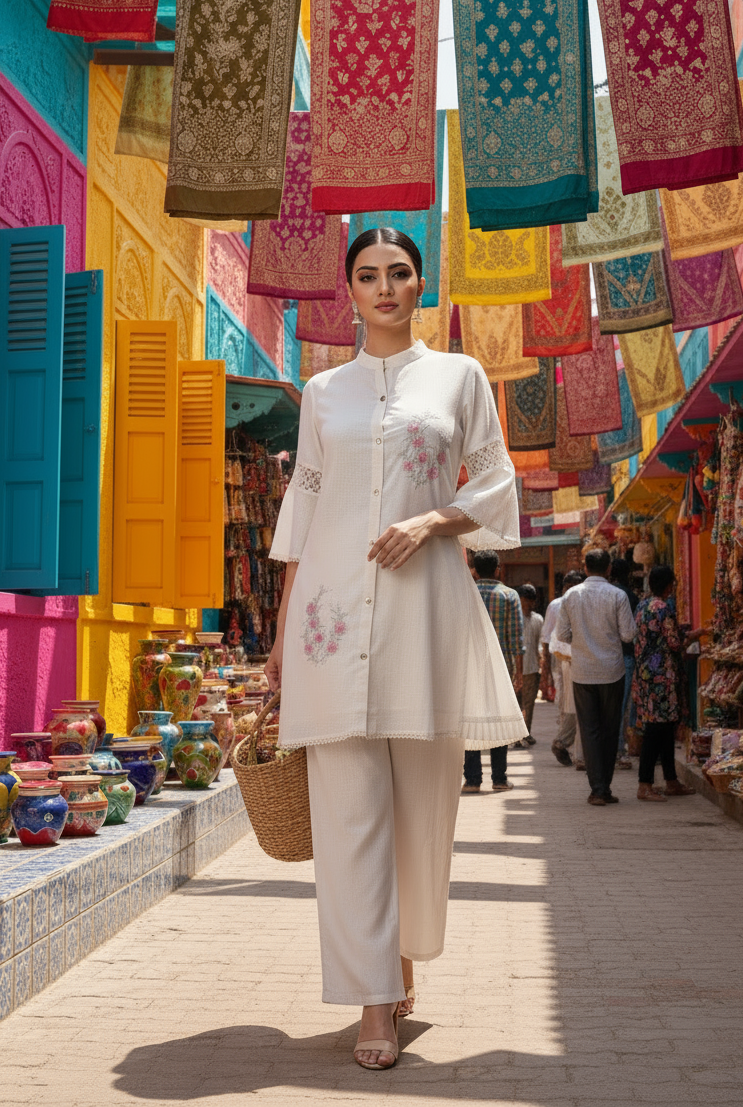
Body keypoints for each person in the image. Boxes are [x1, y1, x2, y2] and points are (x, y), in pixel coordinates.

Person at [264, 227, 525, 1072]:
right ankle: (374, 1001)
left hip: (424, 617)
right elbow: (301, 520)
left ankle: (401, 956)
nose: (384, 286)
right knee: (349, 815)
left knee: (421, 811)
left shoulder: (460, 377)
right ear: (350, 290)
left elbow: (493, 483)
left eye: (399, 274)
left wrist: (432, 519)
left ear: (422, 287)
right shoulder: (322, 393)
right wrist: (276, 639)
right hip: (328, 623)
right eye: (368, 275)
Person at [555, 548, 636, 806]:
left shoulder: (571, 596)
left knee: (589, 730)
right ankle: (604, 787)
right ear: (609, 569)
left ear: (586, 568)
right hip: (612, 671)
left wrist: (583, 639)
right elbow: (628, 635)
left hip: (583, 672)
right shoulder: (618, 595)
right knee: (610, 729)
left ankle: (597, 789)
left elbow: (563, 635)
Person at [633, 564, 703, 802]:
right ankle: (645, 784)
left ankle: (671, 780)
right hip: (662, 676)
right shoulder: (663, 608)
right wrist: (693, 635)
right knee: (656, 730)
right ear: (669, 584)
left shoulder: (643, 605)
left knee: (663, 728)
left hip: (647, 675)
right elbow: (673, 641)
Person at [462, 551, 524, 793]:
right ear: (498, 569)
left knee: (471, 718)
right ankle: (499, 778)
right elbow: (516, 638)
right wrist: (518, 672)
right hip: (502, 666)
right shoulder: (509, 595)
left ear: (475, 570)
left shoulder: (466, 593)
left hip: (468, 665)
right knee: (500, 718)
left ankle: (472, 779)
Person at [541, 571, 584, 766]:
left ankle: (572, 747)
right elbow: (547, 637)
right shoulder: (559, 605)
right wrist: (547, 669)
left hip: (571, 659)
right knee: (572, 704)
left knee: (571, 704)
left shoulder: (576, 602)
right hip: (567, 661)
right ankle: (568, 744)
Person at [609, 557, 639, 770]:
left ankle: (613, 749)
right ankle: (619, 750)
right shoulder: (629, 596)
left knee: (612, 706)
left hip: (608, 656)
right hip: (626, 656)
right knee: (621, 705)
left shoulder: (608, 594)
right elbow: (631, 633)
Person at [513, 584, 542, 747]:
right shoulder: (513, 617)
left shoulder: (538, 619)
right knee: (516, 703)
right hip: (515, 668)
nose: (527, 604)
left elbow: (540, 642)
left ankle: (526, 732)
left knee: (529, 703)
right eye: (524, 600)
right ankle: (517, 734)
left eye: (529, 601)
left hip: (531, 667)